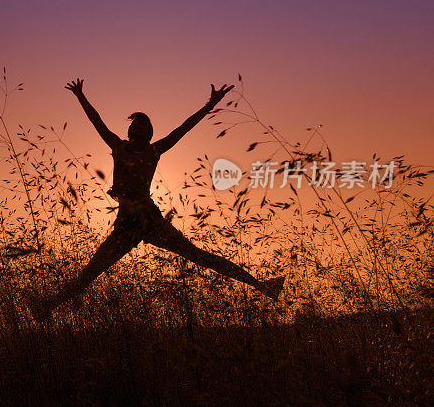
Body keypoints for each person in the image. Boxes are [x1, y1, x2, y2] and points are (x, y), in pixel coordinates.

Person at [31, 78, 284, 318]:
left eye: (141, 124)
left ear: (148, 132)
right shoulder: (118, 147)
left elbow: (184, 128)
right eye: (133, 123)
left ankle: (263, 286)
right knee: (89, 273)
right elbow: (97, 122)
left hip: (150, 219)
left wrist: (210, 104)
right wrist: (81, 96)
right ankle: (47, 307)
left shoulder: (154, 151)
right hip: (126, 225)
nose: (135, 126)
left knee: (200, 257)